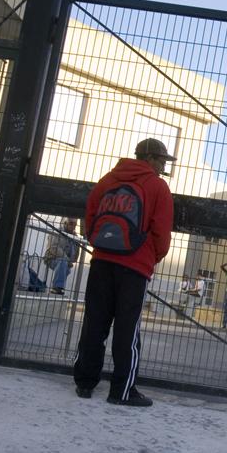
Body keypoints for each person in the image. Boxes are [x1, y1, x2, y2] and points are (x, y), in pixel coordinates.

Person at [73, 138, 175, 407]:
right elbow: (162, 231)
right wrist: (152, 257)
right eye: (162, 160)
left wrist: (100, 244)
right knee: (127, 329)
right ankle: (122, 390)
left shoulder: (108, 179)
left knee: (95, 322)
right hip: (135, 265)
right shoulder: (157, 186)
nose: (164, 165)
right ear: (151, 158)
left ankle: (84, 382)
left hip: (102, 260)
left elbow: (90, 218)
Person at [43, 218, 79, 295]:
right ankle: (57, 287)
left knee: (64, 265)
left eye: (75, 224)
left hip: (65, 261)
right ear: (65, 223)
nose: (73, 226)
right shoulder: (57, 231)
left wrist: (70, 260)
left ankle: (59, 287)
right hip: (52, 258)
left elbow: (75, 256)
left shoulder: (75, 237)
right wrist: (67, 259)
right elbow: (54, 247)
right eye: (71, 223)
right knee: (63, 262)